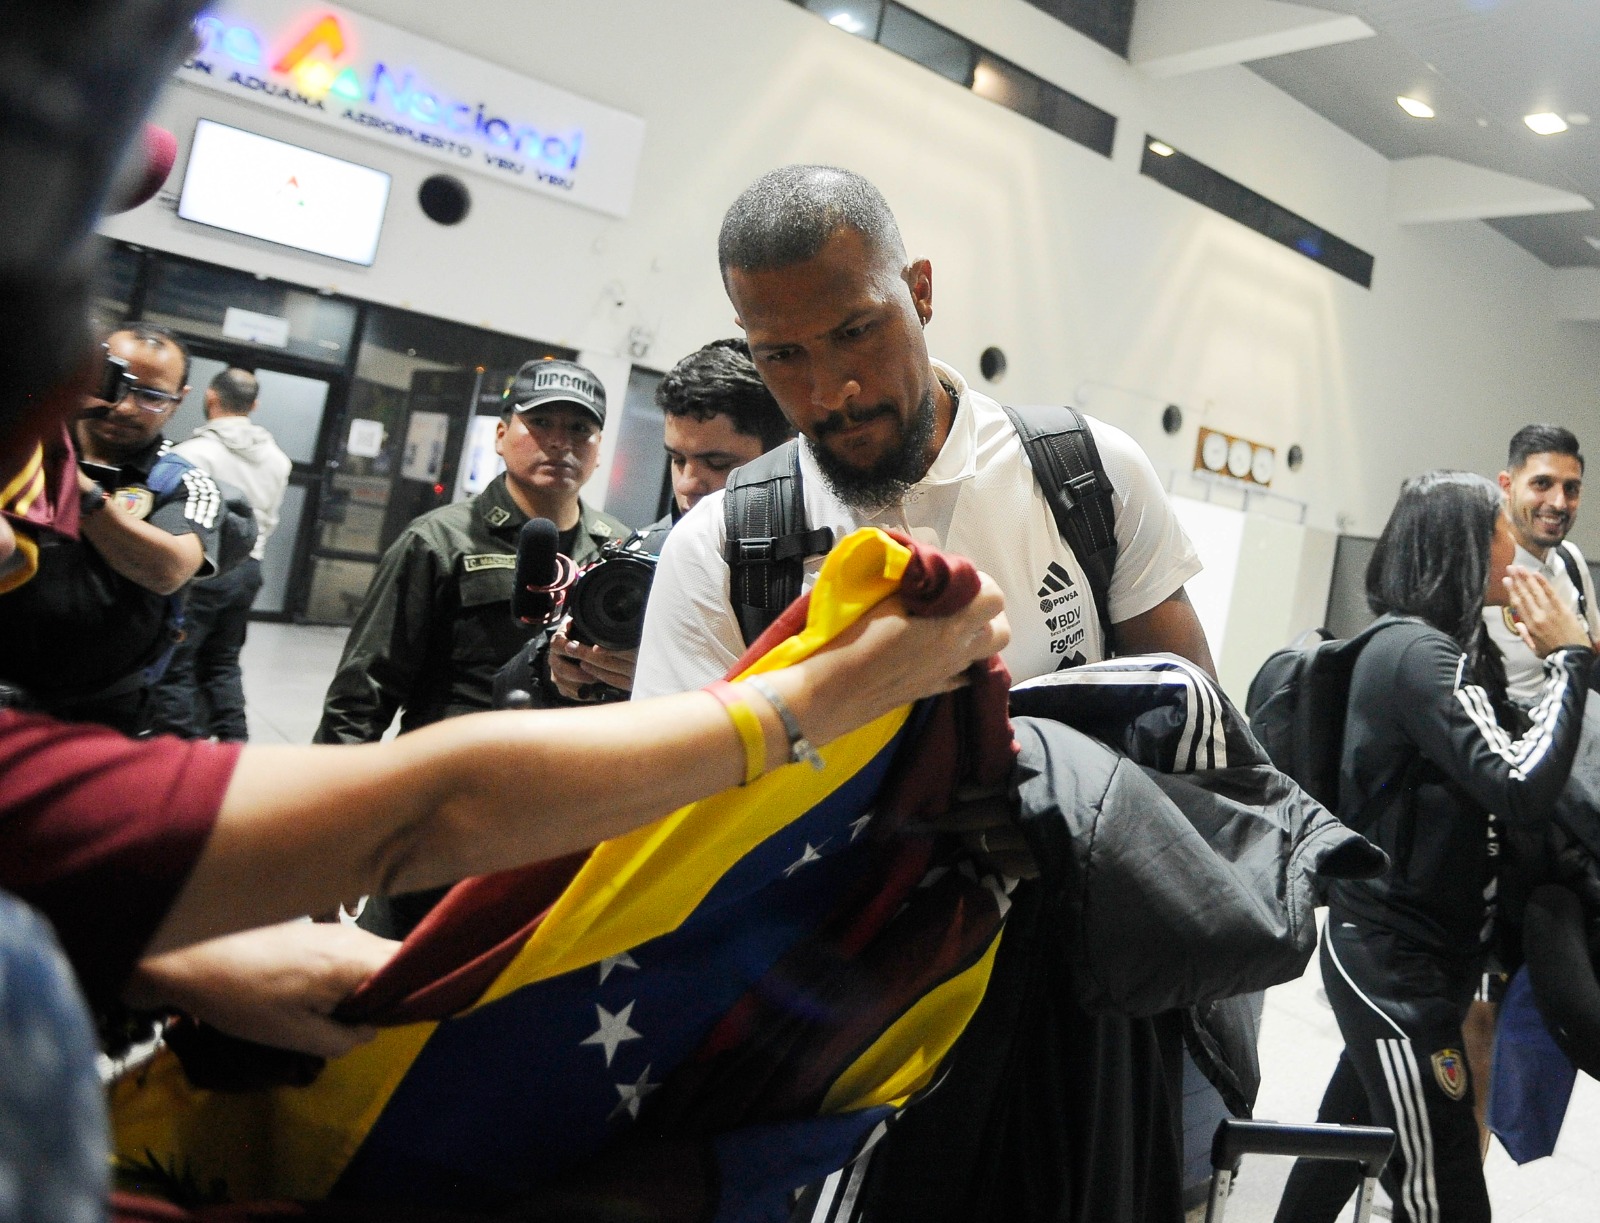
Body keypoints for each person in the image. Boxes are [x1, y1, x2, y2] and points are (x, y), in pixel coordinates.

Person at [633, 165, 1215, 1222]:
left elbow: (1195, 732)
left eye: (857, 332)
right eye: (783, 356)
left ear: (923, 292)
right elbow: (668, 823)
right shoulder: (723, 547)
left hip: (1076, 1007)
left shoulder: (1086, 476)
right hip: (823, 1021)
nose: (830, 390)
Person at [1274, 471, 1595, 1223]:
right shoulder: (1419, 656)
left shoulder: (1452, 651)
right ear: (1463, 546)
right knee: (1443, 1185)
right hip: (1395, 965)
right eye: (1499, 530)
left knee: (1340, 1152)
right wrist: (1569, 661)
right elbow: (1520, 783)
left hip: (1425, 958)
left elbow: (1514, 749)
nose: (1515, 544)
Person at [0, 321, 222, 733]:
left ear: (179, 400)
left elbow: (169, 570)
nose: (124, 407)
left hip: (102, 714)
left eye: (151, 396)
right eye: (114, 384)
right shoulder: (20, 448)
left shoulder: (181, 481)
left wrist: (76, 489)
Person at [542, 336, 792, 701]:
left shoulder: (825, 555)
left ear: (784, 454)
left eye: (718, 463)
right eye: (677, 460)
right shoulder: (639, 554)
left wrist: (672, 676)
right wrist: (560, 667)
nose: (688, 483)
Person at [146, 366, 291, 740]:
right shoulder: (277, 458)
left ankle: (181, 754)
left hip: (203, 569)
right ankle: (233, 746)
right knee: (223, 663)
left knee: (176, 664)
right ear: (254, 404)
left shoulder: (191, 454)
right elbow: (268, 519)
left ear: (210, 397)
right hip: (249, 569)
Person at [1484, 424, 1598, 706]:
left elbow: (1594, 646)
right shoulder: (1482, 573)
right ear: (1507, 485)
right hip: (1507, 739)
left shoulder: (1570, 559)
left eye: (1571, 489)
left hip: (1574, 727)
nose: (1559, 503)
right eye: (1542, 484)